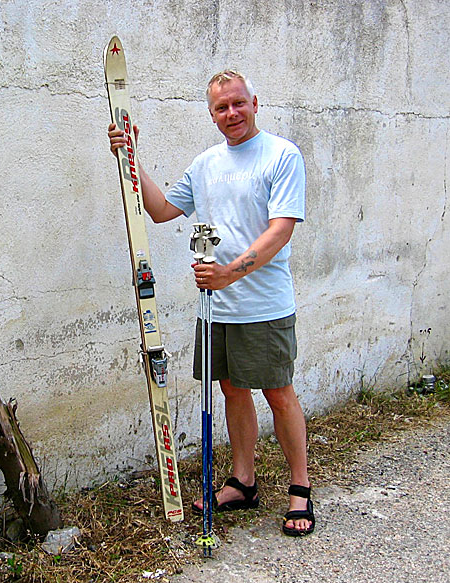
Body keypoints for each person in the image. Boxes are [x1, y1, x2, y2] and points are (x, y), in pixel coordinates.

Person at [107, 70, 314, 536]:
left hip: (264, 305)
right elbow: (160, 210)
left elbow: (280, 230)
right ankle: (243, 481)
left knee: (278, 393)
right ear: (211, 114)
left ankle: (299, 489)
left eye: (238, 103)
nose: (232, 114)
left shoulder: (282, 155)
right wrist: (130, 156)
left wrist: (228, 273)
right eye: (221, 108)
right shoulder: (205, 165)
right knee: (232, 391)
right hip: (215, 307)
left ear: (255, 103)